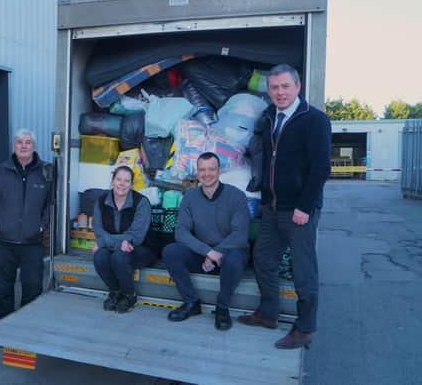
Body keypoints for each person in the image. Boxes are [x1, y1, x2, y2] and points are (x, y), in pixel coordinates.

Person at [237, 64, 331, 349]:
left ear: (297, 87)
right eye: (274, 87)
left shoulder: (314, 119)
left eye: (285, 86)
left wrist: (305, 206)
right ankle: (268, 313)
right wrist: (265, 199)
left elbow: (321, 168)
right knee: (264, 259)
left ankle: (304, 329)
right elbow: (268, 161)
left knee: (304, 271)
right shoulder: (269, 118)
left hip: (299, 210)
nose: (279, 92)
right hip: (272, 208)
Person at [162, 152, 250, 330]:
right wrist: (207, 252)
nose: (206, 173)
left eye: (211, 169)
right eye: (202, 169)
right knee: (171, 251)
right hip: (203, 253)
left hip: (229, 253)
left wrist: (216, 252)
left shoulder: (236, 196)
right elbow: (181, 232)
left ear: (219, 171)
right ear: (197, 172)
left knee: (234, 257)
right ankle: (191, 302)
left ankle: (222, 308)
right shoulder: (190, 197)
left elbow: (240, 235)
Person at [0, 129, 50, 319]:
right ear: (14, 146)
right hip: (3, 242)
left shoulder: (46, 171)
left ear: (34, 147)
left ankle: (24, 325)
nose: (24, 145)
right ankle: (5, 324)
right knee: (3, 289)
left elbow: (51, 204)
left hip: (32, 243)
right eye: (19, 142)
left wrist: (42, 225)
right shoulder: (1, 170)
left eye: (28, 142)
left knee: (33, 287)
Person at [91, 166, 155, 313]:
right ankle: (115, 292)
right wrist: (117, 242)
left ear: (132, 185)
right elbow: (98, 230)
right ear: (112, 181)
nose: (122, 184)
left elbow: (136, 236)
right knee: (100, 256)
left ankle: (129, 295)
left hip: (141, 248)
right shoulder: (101, 202)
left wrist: (103, 242)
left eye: (127, 181)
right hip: (118, 246)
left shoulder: (141, 202)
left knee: (119, 256)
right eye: (118, 179)